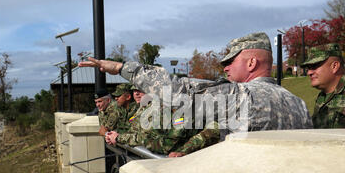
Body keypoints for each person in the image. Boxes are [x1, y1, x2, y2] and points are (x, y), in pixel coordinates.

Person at [79, 32, 313, 134]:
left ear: (252, 63)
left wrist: (121, 68)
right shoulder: (299, 103)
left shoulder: (242, 97)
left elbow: (178, 91)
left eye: (231, 61)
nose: (226, 68)